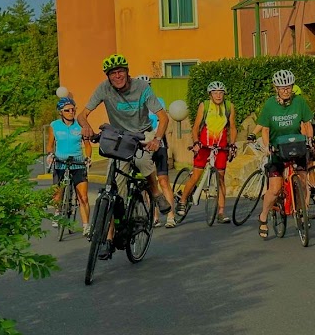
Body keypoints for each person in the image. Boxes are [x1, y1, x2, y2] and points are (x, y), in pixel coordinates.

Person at [78, 54, 171, 259]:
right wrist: (85, 125)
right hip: (119, 136)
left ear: (127, 72)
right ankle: (109, 239)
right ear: (108, 77)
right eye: (113, 73)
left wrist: (157, 138)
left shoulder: (142, 88)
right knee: (114, 192)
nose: (117, 76)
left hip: (142, 133)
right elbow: (82, 114)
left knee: (142, 160)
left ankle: (156, 193)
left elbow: (163, 117)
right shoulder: (104, 89)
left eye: (120, 71)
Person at [256, 69, 314, 239]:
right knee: (274, 189)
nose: (286, 90)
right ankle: (263, 216)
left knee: (303, 181)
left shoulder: (300, 102)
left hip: (295, 146)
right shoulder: (269, 105)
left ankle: (302, 212)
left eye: (288, 87)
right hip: (276, 149)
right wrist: (267, 146)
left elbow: (307, 123)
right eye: (282, 88)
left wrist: (310, 140)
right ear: (276, 88)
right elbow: (265, 130)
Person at [177, 80, 237, 224]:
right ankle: (183, 200)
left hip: (221, 146)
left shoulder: (229, 106)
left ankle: (221, 212)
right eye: (215, 93)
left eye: (221, 93)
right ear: (210, 95)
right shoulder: (204, 105)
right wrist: (196, 142)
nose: (218, 95)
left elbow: (233, 127)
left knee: (221, 178)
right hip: (204, 144)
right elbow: (196, 127)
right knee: (196, 175)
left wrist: (233, 145)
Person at [135, 75, 177, 228]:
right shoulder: (133, 105)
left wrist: (160, 141)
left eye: (147, 86)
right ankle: (154, 216)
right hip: (141, 145)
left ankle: (171, 215)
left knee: (163, 180)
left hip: (158, 144)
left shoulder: (158, 102)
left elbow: (162, 123)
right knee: (148, 180)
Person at [47, 97, 92, 236]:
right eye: (67, 110)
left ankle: (86, 225)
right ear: (61, 112)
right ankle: (58, 211)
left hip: (77, 164)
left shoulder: (80, 126)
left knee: (83, 197)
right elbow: (50, 144)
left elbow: (88, 146)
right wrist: (50, 155)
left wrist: (88, 158)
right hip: (60, 163)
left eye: (73, 109)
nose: (71, 112)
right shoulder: (54, 125)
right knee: (57, 194)